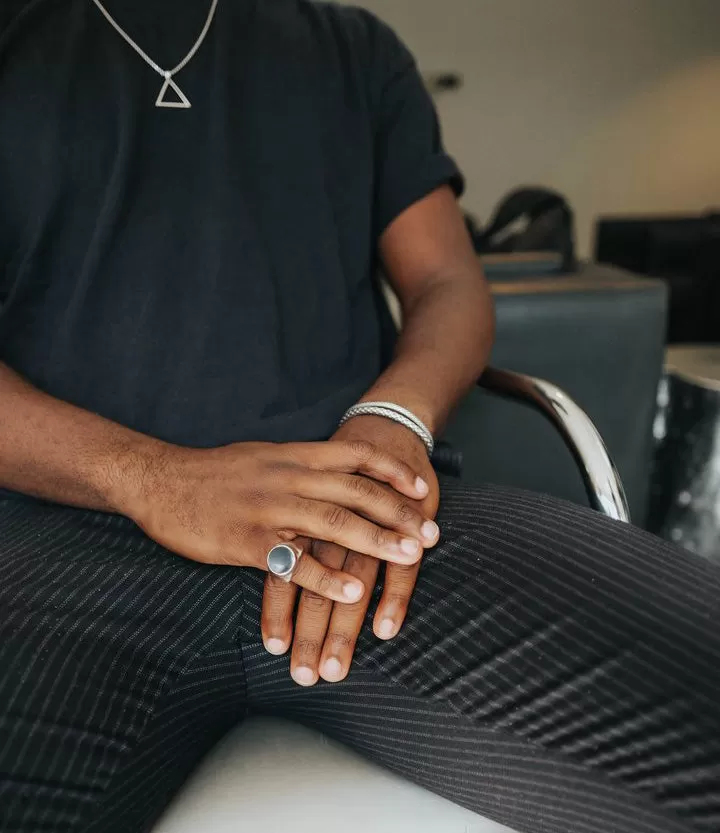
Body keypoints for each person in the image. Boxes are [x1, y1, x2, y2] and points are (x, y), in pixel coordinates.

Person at [0, 1, 718, 832]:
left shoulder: (350, 47)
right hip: (61, 541)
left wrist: (393, 420)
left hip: (370, 519)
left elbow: (447, 282)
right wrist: (152, 479)